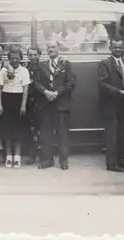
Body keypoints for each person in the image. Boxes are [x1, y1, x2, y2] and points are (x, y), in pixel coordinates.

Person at [33, 40, 76, 170]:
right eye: (49, 47)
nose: (51, 49)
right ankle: (47, 160)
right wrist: (45, 92)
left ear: (58, 49)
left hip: (61, 104)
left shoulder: (66, 64)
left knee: (62, 133)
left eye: (53, 47)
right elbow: (35, 82)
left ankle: (63, 161)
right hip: (45, 104)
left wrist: (57, 93)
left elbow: (70, 83)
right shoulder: (41, 65)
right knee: (45, 133)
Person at [97, 40, 124, 172]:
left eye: (120, 47)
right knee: (111, 135)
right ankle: (111, 164)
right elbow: (102, 83)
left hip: (123, 103)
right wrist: (118, 92)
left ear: (123, 48)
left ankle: (122, 160)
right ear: (110, 48)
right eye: (115, 47)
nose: (118, 49)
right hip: (110, 103)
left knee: (123, 133)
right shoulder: (104, 63)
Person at [0, 48, 31, 168]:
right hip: (6, 100)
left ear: (21, 58)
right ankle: (8, 156)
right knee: (7, 130)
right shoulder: (3, 70)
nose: (15, 60)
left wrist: (23, 105)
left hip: (18, 100)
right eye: (12, 58)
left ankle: (17, 156)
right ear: (9, 59)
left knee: (18, 130)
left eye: (17, 58)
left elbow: (26, 89)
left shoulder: (24, 71)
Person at [25, 46, 42, 165]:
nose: (33, 57)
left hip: (42, 101)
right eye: (30, 55)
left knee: (42, 129)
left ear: (39, 55)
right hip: (29, 102)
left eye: (35, 55)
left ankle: (42, 154)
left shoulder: (45, 67)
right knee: (30, 129)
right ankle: (31, 154)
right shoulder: (25, 69)